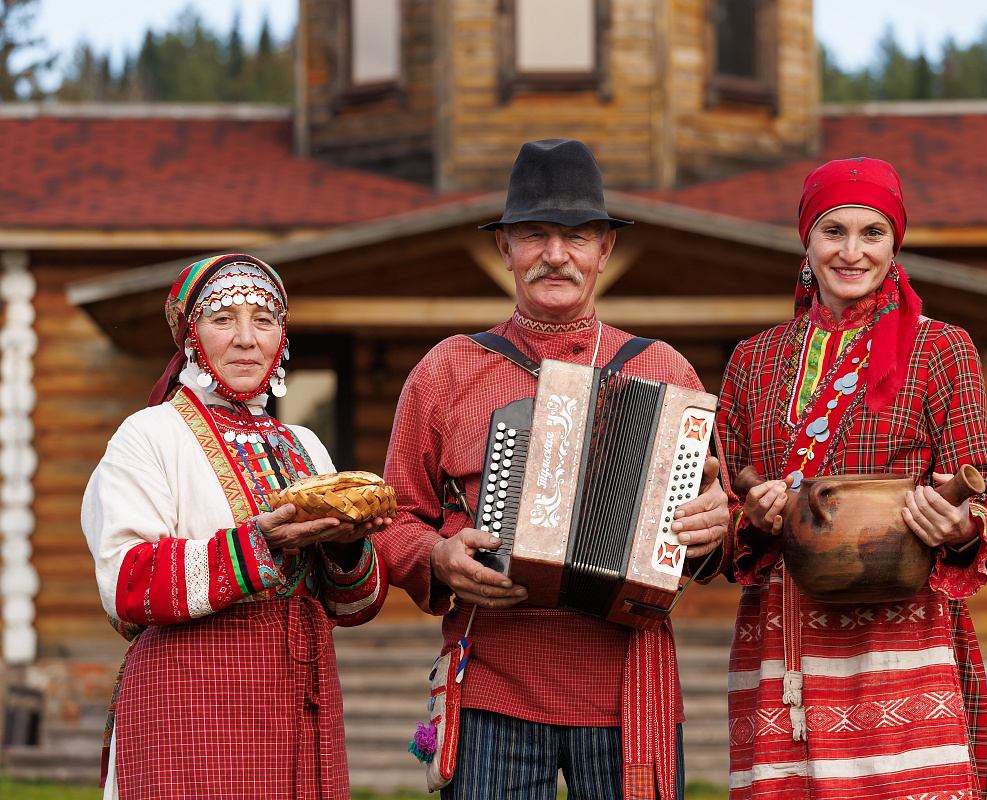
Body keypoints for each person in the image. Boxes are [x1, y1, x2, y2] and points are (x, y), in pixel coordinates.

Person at [374, 139, 730, 800]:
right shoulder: (447, 368)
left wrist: (716, 525)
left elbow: (716, 530)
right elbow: (394, 514)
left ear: (605, 250)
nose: (556, 254)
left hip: (627, 685)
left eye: (576, 236)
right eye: (534, 235)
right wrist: (438, 555)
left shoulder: (665, 369)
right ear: (504, 248)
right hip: (489, 682)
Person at [713, 157, 987, 799]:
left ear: (895, 242)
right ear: (806, 241)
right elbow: (721, 509)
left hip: (900, 641)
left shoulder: (942, 351)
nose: (851, 251)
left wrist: (957, 526)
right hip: (783, 638)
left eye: (871, 232)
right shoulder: (753, 361)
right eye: (833, 230)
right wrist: (751, 520)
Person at [82, 254, 390, 800]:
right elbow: (126, 587)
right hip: (191, 704)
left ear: (283, 337)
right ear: (190, 337)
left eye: (264, 319)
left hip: (300, 693)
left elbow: (351, 606)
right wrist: (260, 541)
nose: (247, 339)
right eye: (223, 319)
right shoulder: (149, 436)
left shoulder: (305, 445)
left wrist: (349, 545)